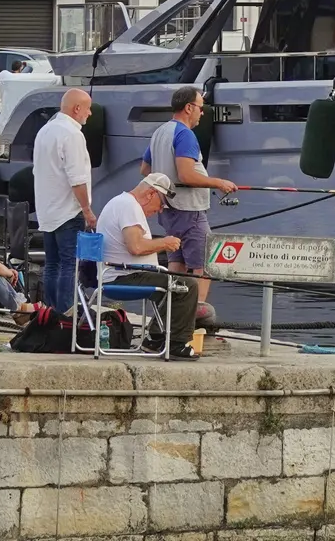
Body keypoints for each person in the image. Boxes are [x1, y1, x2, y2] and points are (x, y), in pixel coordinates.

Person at [142, 86, 236, 312]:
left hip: (168, 210)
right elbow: (186, 175)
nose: (202, 113)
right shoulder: (185, 134)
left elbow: (145, 170)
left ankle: (172, 312)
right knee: (206, 264)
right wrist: (219, 182)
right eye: (200, 108)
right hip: (189, 210)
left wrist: (167, 183)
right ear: (188, 108)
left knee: (178, 262)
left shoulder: (160, 132)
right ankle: (195, 314)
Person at [94, 173, 197, 357]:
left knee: (176, 286)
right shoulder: (129, 206)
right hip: (124, 277)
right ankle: (175, 344)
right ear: (150, 194)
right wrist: (165, 243)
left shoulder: (122, 203)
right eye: (161, 204)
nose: (160, 210)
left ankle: (155, 339)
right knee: (187, 286)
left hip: (124, 275)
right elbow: (136, 247)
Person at [32, 88, 98, 315]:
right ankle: (66, 315)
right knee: (70, 264)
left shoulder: (45, 130)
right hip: (68, 211)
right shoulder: (72, 134)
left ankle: (50, 313)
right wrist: (87, 210)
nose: (90, 113)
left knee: (52, 264)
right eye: (88, 108)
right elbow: (77, 179)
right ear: (77, 108)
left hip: (47, 210)